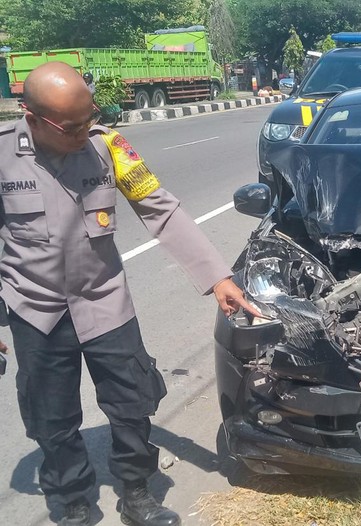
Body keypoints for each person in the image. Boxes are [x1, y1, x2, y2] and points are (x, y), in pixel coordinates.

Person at [0, 62, 261, 526]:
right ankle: (74, 500)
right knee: (52, 416)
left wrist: (218, 277)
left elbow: (159, 208)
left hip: (105, 301)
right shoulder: (2, 158)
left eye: (90, 117)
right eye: (72, 126)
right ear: (33, 117)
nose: (85, 131)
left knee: (133, 402)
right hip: (34, 309)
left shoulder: (107, 147)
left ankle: (137, 493)